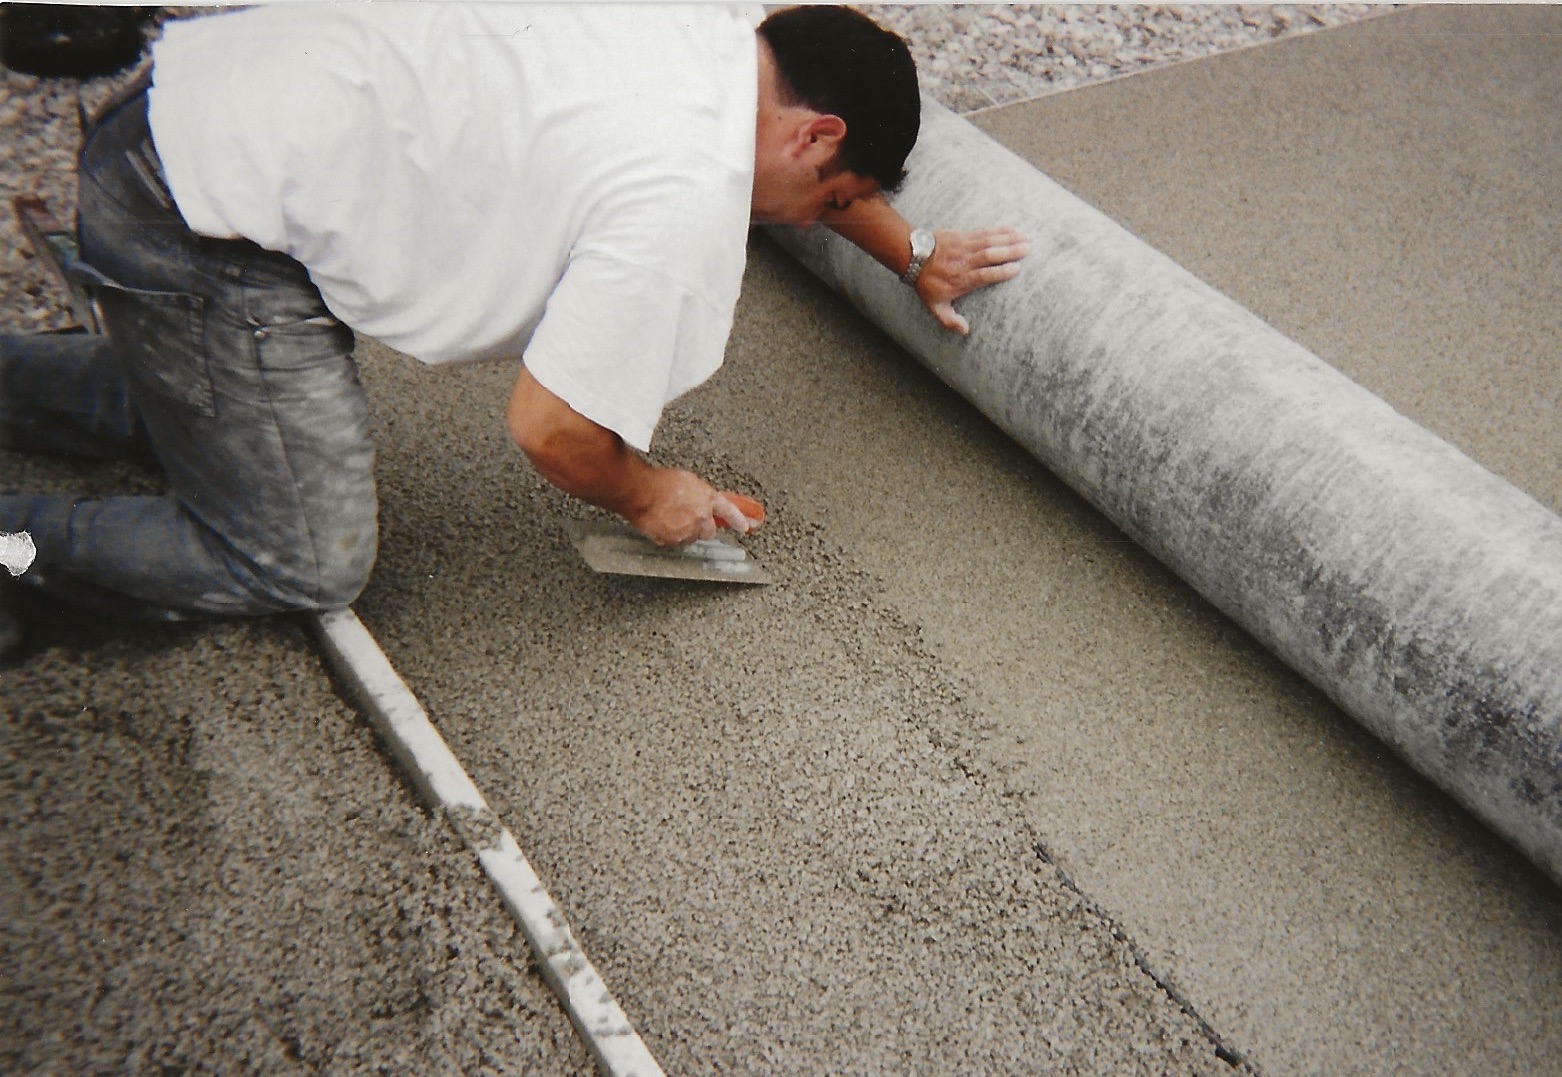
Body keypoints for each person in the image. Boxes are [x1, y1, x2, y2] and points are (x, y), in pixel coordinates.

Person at [0, 4, 1028, 656]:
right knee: (302, 557)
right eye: (831, 199)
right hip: (196, 222)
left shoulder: (708, 35)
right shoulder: (678, 199)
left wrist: (909, 250)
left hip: (186, 106)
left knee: (187, 398)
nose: (807, 223)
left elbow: (810, 166)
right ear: (814, 134)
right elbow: (551, 428)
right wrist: (649, 494)